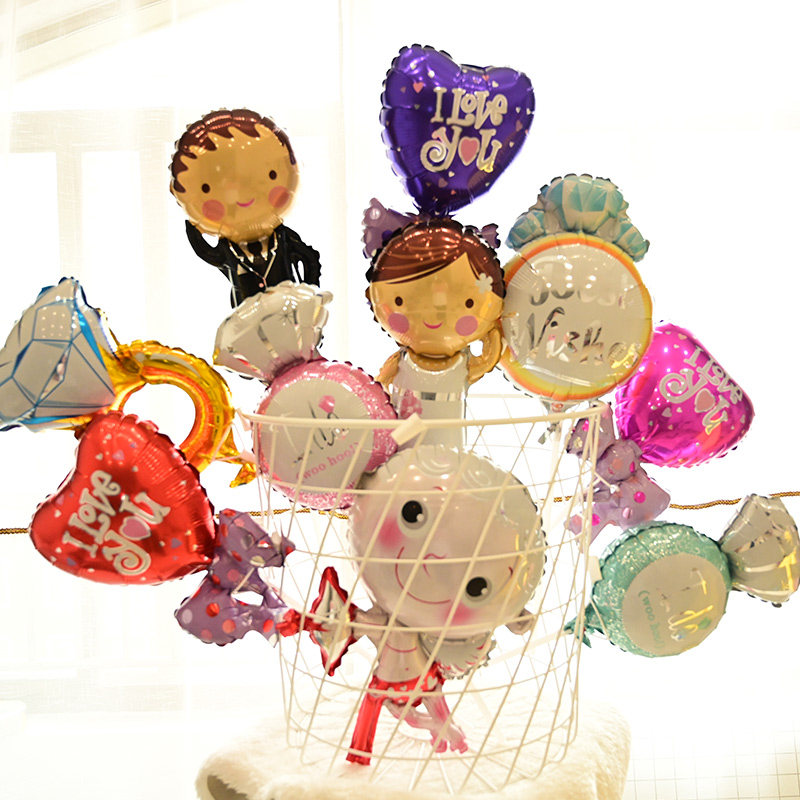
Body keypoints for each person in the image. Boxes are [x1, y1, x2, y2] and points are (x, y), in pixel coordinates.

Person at [366, 219, 504, 447]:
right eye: (402, 301)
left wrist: (492, 331)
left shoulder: (462, 364)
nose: (435, 313)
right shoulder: (401, 361)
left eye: (468, 303)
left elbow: (488, 359)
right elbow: (378, 388)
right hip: (405, 450)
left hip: (451, 449)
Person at [170, 108, 321, 307]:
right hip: (246, 318)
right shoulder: (227, 251)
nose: (242, 193)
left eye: (271, 176)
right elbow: (207, 253)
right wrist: (193, 228)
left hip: (291, 313)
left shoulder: (284, 239)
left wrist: (309, 294)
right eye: (207, 188)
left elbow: (310, 258)